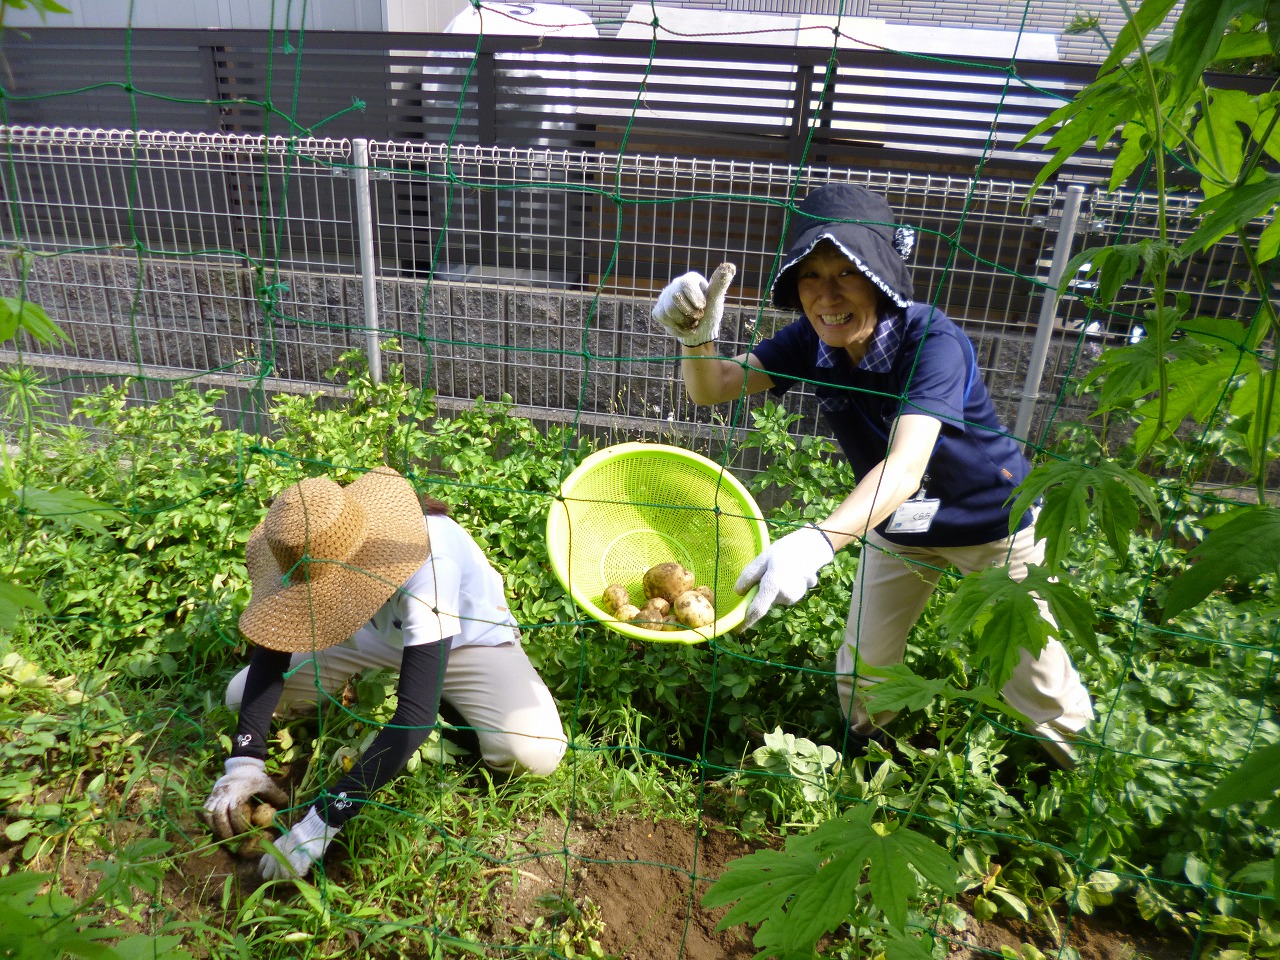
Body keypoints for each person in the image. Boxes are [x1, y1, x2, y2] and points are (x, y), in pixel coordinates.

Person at [649, 182, 1093, 769]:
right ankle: (868, 760)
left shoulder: (933, 342)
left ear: (881, 276)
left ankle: (1080, 769)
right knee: (865, 662)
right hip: (897, 522)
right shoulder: (812, 339)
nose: (826, 296)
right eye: (810, 276)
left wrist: (816, 540)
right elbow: (715, 388)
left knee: (1032, 671)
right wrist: (697, 339)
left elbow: (906, 466)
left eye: (845, 273)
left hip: (989, 521)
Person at [202, 467, 568, 880]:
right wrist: (245, 759)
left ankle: (444, 696)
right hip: (367, 635)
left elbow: (414, 719)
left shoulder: (428, 560)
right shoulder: (307, 544)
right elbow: (275, 642)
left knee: (532, 752)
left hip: (466, 641)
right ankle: (401, 684)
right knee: (240, 696)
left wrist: (323, 819)